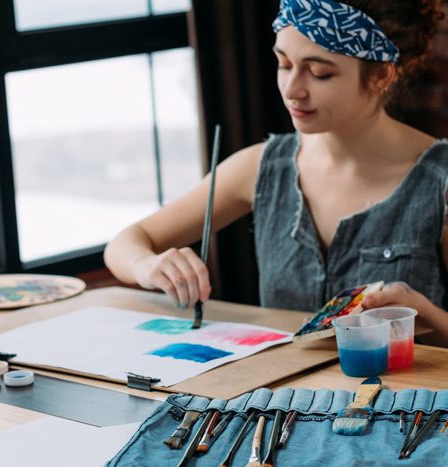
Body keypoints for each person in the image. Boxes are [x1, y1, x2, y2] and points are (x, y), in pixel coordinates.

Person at [104, 0, 448, 346]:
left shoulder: (440, 180)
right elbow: (125, 244)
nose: (291, 89)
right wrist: (147, 266)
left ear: (380, 76)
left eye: (319, 73)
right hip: (281, 399)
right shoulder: (261, 167)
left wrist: (425, 314)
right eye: (284, 64)